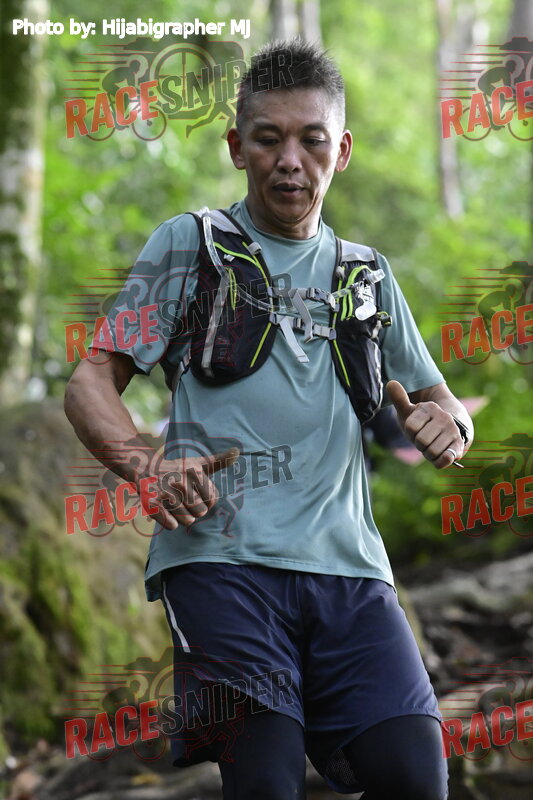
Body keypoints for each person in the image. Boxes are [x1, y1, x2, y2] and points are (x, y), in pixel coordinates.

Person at [64, 39, 474, 800]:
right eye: (268, 138)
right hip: (221, 564)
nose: (290, 161)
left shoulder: (366, 274)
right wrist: (146, 465)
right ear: (235, 147)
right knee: (267, 780)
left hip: (351, 571)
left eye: (311, 140)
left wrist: (452, 426)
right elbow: (91, 379)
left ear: (340, 151)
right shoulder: (191, 246)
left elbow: (438, 399)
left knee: (416, 776)